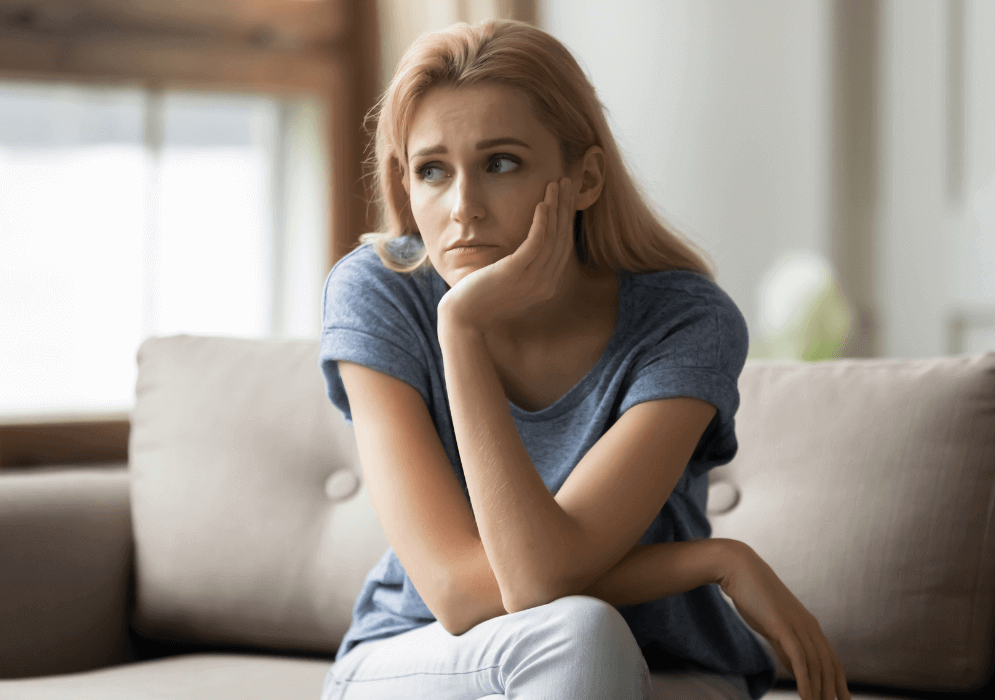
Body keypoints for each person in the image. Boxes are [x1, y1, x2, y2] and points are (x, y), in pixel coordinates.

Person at [318, 18, 850, 700]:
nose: (463, 209)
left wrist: (466, 329)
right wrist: (709, 561)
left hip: (666, 667)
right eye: (432, 171)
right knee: (578, 632)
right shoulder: (377, 294)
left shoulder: (685, 323)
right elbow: (457, 591)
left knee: (583, 635)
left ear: (585, 178)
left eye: (500, 163)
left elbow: (539, 578)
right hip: (428, 656)